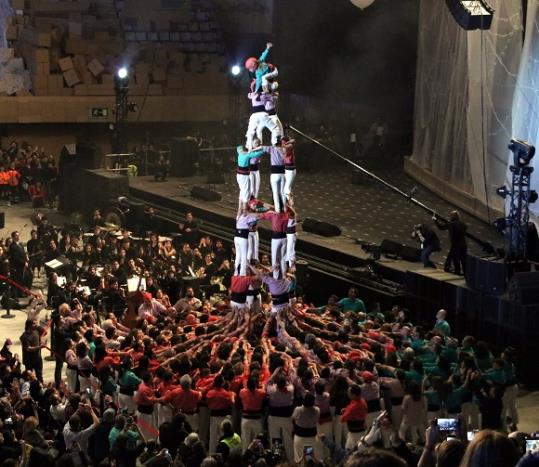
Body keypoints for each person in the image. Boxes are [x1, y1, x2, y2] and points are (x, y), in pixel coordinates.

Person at [435, 210, 468, 275]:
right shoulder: (463, 225)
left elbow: (441, 227)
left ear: (452, 216)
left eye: (450, 215)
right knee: (463, 260)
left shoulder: (451, 223)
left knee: (456, 260)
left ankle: (457, 272)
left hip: (455, 245)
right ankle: (465, 274)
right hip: (464, 245)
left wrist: (435, 220)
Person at [292, 392, 321, 463]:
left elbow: (293, 418)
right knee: (311, 459)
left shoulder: (298, 409)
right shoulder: (317, 410)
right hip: (312, 438)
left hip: (300, 438)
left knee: (300, 460)